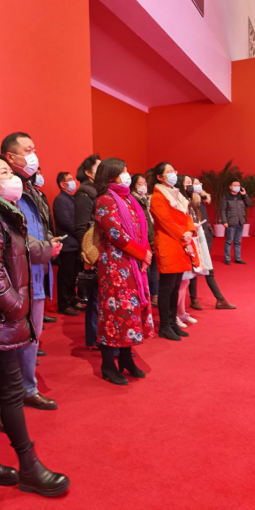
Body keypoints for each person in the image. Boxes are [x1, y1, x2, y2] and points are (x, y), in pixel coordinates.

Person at [0, 154, 70, 498]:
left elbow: (18, 253)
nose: (14, 178)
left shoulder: (2, 214)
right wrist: (16, 308)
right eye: (5, 172)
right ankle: (29, 466)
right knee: (10, 390)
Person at [1, 132, 62, 410]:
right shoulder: (6, 191)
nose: (34, 155)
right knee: (11, 339)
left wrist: (49, 242)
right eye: (28, 150)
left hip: (36, 274)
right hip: (15, 278)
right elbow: (13, 237)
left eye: (34, 149)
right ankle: (9, 396)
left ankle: (27, 388)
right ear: (10, 157)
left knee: (32, 337)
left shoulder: (31, 189)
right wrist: (45, 248)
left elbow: (37, 228)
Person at [94, 158, 154, 385]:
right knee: (114, 313)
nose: (128, 175)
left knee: (130, 311)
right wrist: (142, 253)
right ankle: (108, 364)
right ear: (111, 174)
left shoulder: (128, 198)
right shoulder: (105, 200)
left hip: (132, 263)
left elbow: (141, 229)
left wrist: (145, 252)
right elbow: (115, 234)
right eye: (123, 171)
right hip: (115, 265)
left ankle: (126, 358)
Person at [150, 162, 199, 341]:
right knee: (167, 288)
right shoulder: (157, 197)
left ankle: (172, 322)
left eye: (174, 171)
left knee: (176, 286)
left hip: (181, 244)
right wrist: (183, 234)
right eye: (169, 172)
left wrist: (189, 231)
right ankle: (164, 325)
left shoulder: (178, 195)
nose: (173, 174)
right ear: (159, 177)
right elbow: (166, 222)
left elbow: (187, 217)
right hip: (169, 244)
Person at [188, 178, 236, 310]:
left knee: (205, 269)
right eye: (194, 183)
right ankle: (201, 299)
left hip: (205, 237)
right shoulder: (189, 202)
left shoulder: (201, 200)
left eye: (199, 183)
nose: (198, 186)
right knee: (197, 270)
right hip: (195, 238)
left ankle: (213, 299)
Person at [175, 175, 212, 327]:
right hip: (183, 242)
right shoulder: (177, 201)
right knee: (182, 282)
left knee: (186, 280)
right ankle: (173, 315)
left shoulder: (189, 200)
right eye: (188, 183)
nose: (191, 186)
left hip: (192, 241)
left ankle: (181, 313)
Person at [74, 154, 101, 349]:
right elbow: (82, 228)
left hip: (99, 250)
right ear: (89, 173)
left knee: (97, 297)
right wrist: (87, 256)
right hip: (93, 252)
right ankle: (96, 337)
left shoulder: (96, 192)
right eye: (99, 168)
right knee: (97, 298)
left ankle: (95, 337)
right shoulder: (84, 195)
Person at [53, 171, 80, 316]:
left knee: (74, 275)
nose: (73, 181)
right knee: (66, 276)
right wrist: (80, 232)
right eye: (70, 179)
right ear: (62, 184)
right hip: (67, 244)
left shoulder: (73, 198)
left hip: (75, 244)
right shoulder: (60, 200)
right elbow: (66, 222)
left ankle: (72, 299)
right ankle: (64, 304)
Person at [32, 167, 57, 326]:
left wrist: (49, 238)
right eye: (37, 174)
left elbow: (44, 223)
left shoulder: (40, 195)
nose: (40, 176)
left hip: (43, 243)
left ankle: (40, 314)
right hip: (35, 247)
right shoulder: (23, 195)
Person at [131, 174, 158, 307]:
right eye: (139, 184)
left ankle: (154, 296)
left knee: (154, 270)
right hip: (142, 241)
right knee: (145, 271)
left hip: (151, 238)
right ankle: (147, 297)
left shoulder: (146, 199)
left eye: (145, 183)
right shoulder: (133, 200)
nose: (143, 186)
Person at [221, 179, 251, 265]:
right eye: (235, 185)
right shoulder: (226, 197)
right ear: (230, 187)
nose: (237, 187)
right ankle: (227, 258)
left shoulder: (241, 196)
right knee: (229, 241)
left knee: (238, 241)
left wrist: (245, 195)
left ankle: (238, 258)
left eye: (238, 185)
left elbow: (248, 204)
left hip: (240, 222)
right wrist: (224, 221)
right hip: (230, 222)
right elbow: (223, 210)